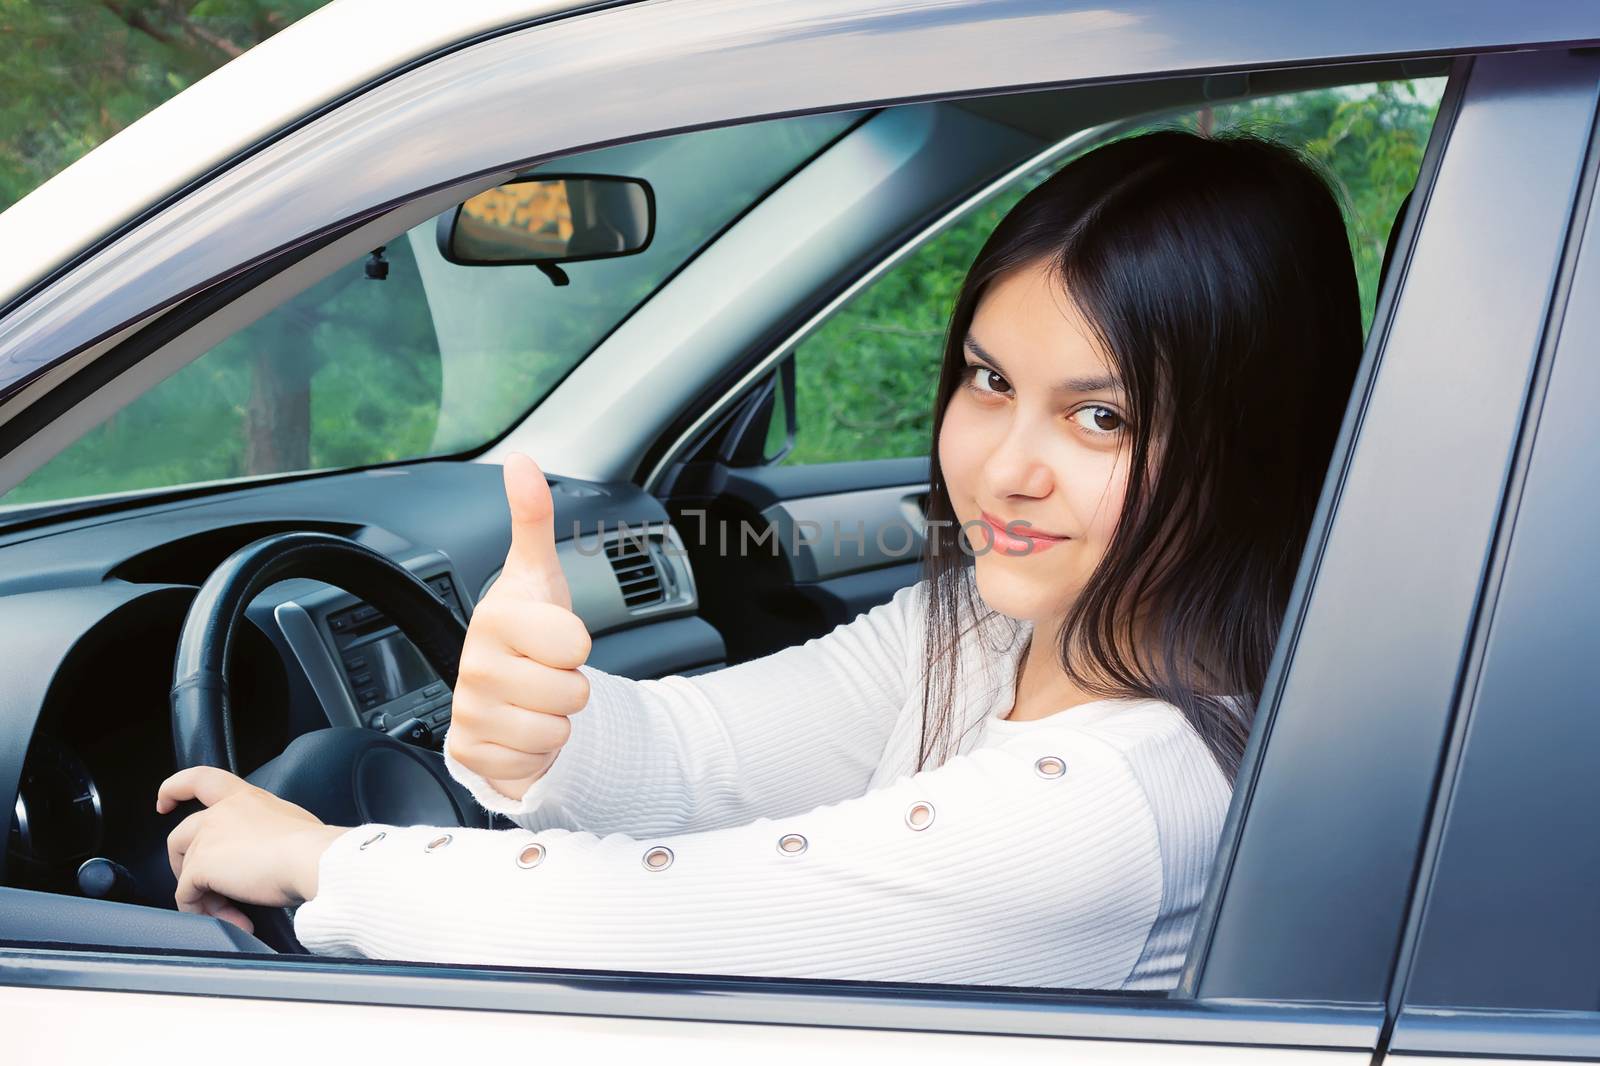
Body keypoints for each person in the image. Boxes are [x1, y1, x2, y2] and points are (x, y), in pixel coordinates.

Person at [154, 127, 1364, 989]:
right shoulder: (996, 629)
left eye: (1101, 417)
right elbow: (707, 758)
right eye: (990, 382)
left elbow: (645, 912)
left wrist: (320, 856)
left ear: (1249, 447)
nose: (1004, 469)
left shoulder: (1110, 807)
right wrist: (544, 716)